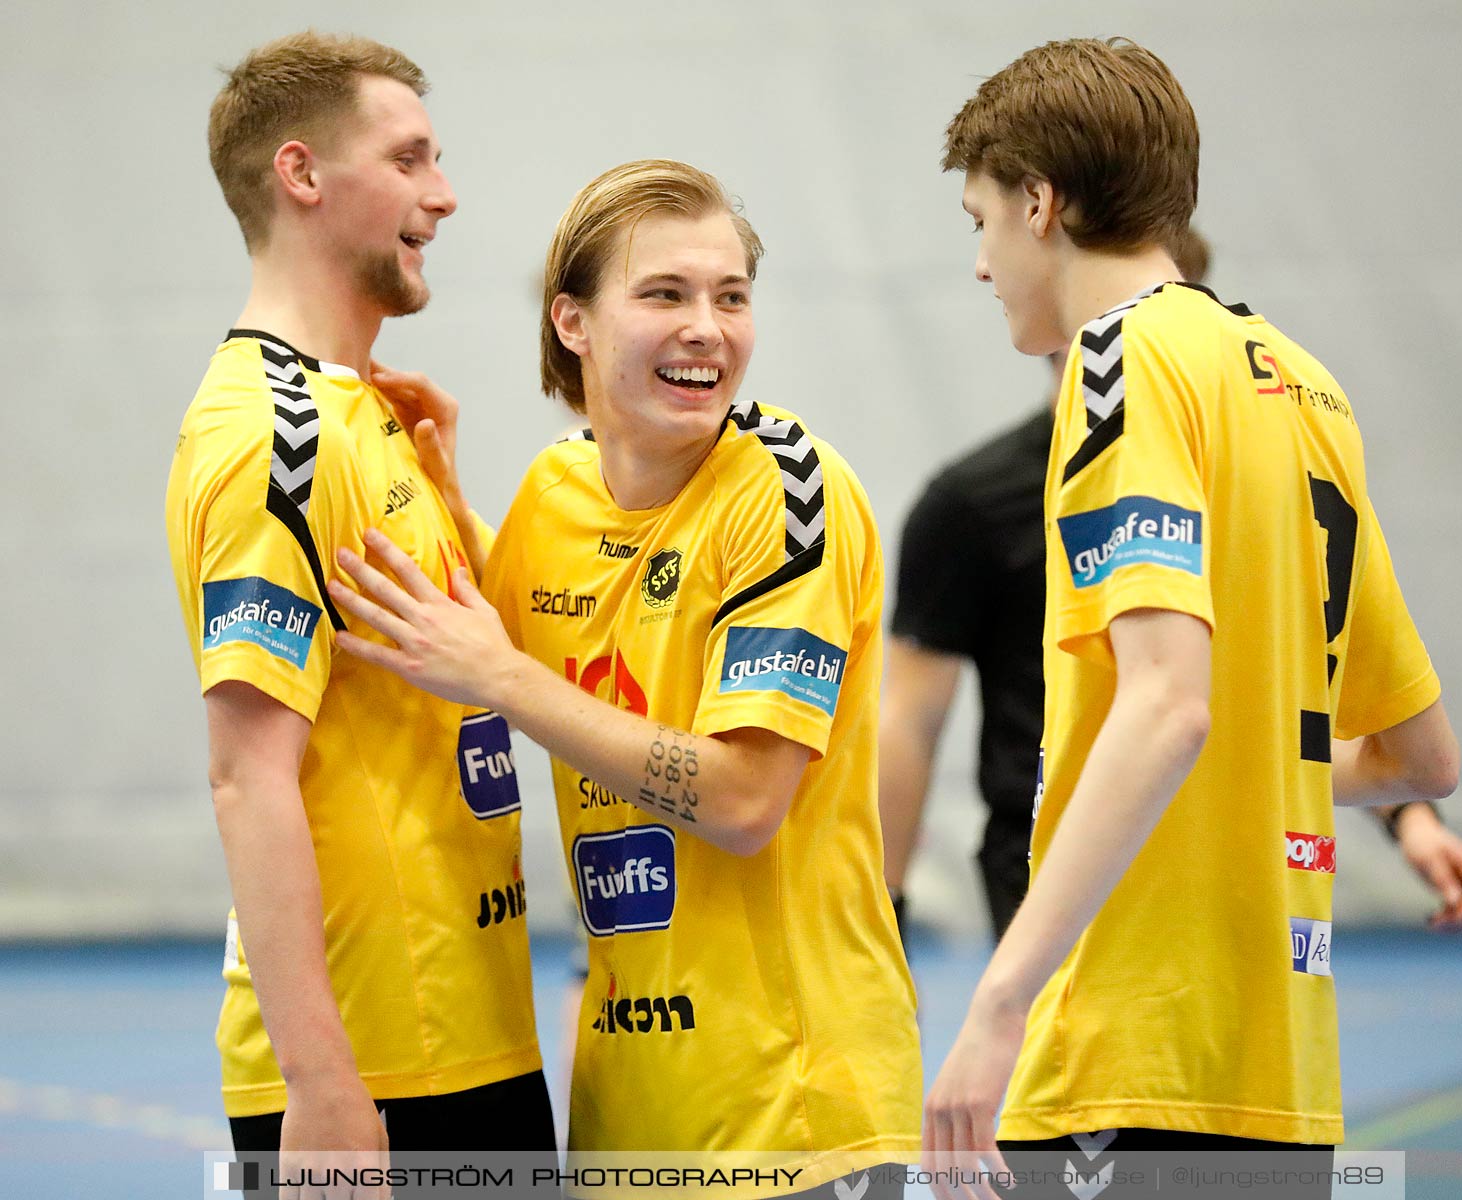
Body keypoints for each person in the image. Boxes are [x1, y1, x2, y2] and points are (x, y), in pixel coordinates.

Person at [920, 36, 1461, 1192]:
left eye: (979, 220)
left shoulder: (1117, 362)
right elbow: (1420, 754)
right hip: (1284, 1075)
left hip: (1128, 1055)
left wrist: (999, 1002)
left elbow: (1168, 708)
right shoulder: (1305, 381)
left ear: (1039, 202)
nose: (979, 263)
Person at [330, 159, 921, 1196]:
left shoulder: (787, 494)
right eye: (666, 295)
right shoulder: (556, 491)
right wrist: (443, 502)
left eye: (732, 296)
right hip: (626, 1122)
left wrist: (504, 680)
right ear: (574, 322)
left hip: (799, 1120)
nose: (710, 327)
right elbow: (494, 637)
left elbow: (742, 799)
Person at [164, 30, 552, 1190]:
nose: (445, 193)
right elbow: (248, 772)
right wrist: (325, 1087)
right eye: (411, 159)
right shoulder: (267, 436)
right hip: (383, 1073)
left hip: (468, 1038)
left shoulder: (367, 412)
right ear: (301, 175)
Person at [880, 228, 1462, 943]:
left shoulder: (1250, 467)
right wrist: (887, 916)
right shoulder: (971, 504)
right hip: (1048, 865)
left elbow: (1296, 682)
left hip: (1228, 857)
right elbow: (909, 724)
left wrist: (1408, 814)